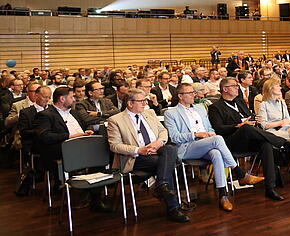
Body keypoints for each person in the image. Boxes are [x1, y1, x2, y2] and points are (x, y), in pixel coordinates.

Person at [107, 89, 190, 223]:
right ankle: (173, 207)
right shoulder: (115, 120)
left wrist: (158, 143)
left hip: (157, 151)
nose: (146, 103)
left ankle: (161, 185)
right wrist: (139, 150)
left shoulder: (149, 113)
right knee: (168, 161)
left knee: (169, 148)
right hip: (134, 158)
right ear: (130, 103)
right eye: (142, 101)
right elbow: (115, 145)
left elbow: (163, 131)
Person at [209, 77, 290, 201]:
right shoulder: (216, 107)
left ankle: (270, 188)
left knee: (265, 144)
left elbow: (249, 117)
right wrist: (239, 125)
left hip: (248, 137)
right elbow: (219, 129)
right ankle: (283, 143)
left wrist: (255, 120)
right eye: (234, 86)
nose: (237, 88)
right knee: (246, 128)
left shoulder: (240, 102)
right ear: (225, 89)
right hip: (231, 141)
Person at [163, 83, 243, 212]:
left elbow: (209, 127)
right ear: (180, 96)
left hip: (205, 143)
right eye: (189, 93)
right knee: (217, 139)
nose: (193, 95)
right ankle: (238, 171)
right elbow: (174, 137)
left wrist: (210, 134)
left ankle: (223, 195)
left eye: (193, 92)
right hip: (186, 147)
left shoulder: (200, 108)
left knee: (216, 153)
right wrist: (196, 134)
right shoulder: (171, 113)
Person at [35, 87, 111, 212]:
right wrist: (70, 136)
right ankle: (81, 193)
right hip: (62, 149)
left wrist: (87, 131)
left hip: (83, 146)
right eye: (72, 97)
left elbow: (84, 126)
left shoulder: (74, 112)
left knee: (104, 153)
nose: (74, 99)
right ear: (62, 99)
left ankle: (94, 196)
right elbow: (45, 136)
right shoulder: (46, 115)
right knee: (94, 156)